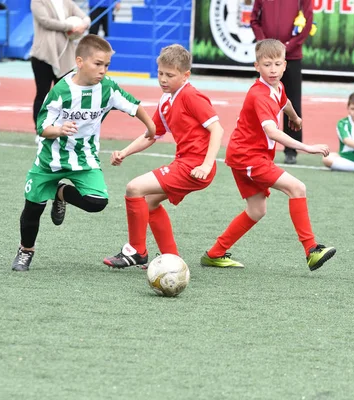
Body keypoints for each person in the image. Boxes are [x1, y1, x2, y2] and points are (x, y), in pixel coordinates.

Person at [12, 35, 156, 272]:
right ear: (80, 61)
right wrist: (59, 129)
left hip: (84, 159)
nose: (103, 70)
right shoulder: (61, 90)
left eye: (106, 65)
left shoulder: (107, 88)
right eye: (97, 64)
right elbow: (42, 127)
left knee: (97, 202)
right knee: (33, 209)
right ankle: (26, 251)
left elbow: (133, 105)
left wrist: (150, 126)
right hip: (50, 160)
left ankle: (59, 193)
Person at [200, 39, 336, 271]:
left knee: (256, 210)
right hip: (249, 157)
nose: (272, 70)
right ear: (256, 66)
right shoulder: (259, 94)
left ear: (285, 66)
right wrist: (306, 147)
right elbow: (271, 130)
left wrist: (294, 117)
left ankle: (215, 253)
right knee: (297, 188)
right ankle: (311, 250)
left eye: (277, 64)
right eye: (267, 65)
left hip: (242, 155)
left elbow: (285, 102)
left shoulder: (278, 87)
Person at [102, 44, 224, 269]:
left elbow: (217, 129)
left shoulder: (190, 95)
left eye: (170, 75)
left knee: (134, 188)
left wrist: (207, 165)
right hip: (184, 163)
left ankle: (136, 251)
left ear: (185, 75)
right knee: (149, 203)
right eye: (160, 73)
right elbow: (152, 135)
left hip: (194, 166)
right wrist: (125, 152)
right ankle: (172, 260)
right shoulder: (167, 100)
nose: (163, 79)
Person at [250, 0, 312, 165]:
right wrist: (266, 47)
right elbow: (254, 20)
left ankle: (291, 150)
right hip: (267, 58)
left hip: (292, 56)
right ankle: (256, 146)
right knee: (261, 99)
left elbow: (308, 22)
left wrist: (287, 48)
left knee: (292, 101)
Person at [30, 0, 90, 128]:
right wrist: (70, 27)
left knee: (64, 96)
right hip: (43, 55)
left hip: (66, 57)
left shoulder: (67, 2)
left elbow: (85, 17)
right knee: (43, 93)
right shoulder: (38, 1)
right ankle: (41, 129)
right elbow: (45, 21)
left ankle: (61, 128)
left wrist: (83, 24)